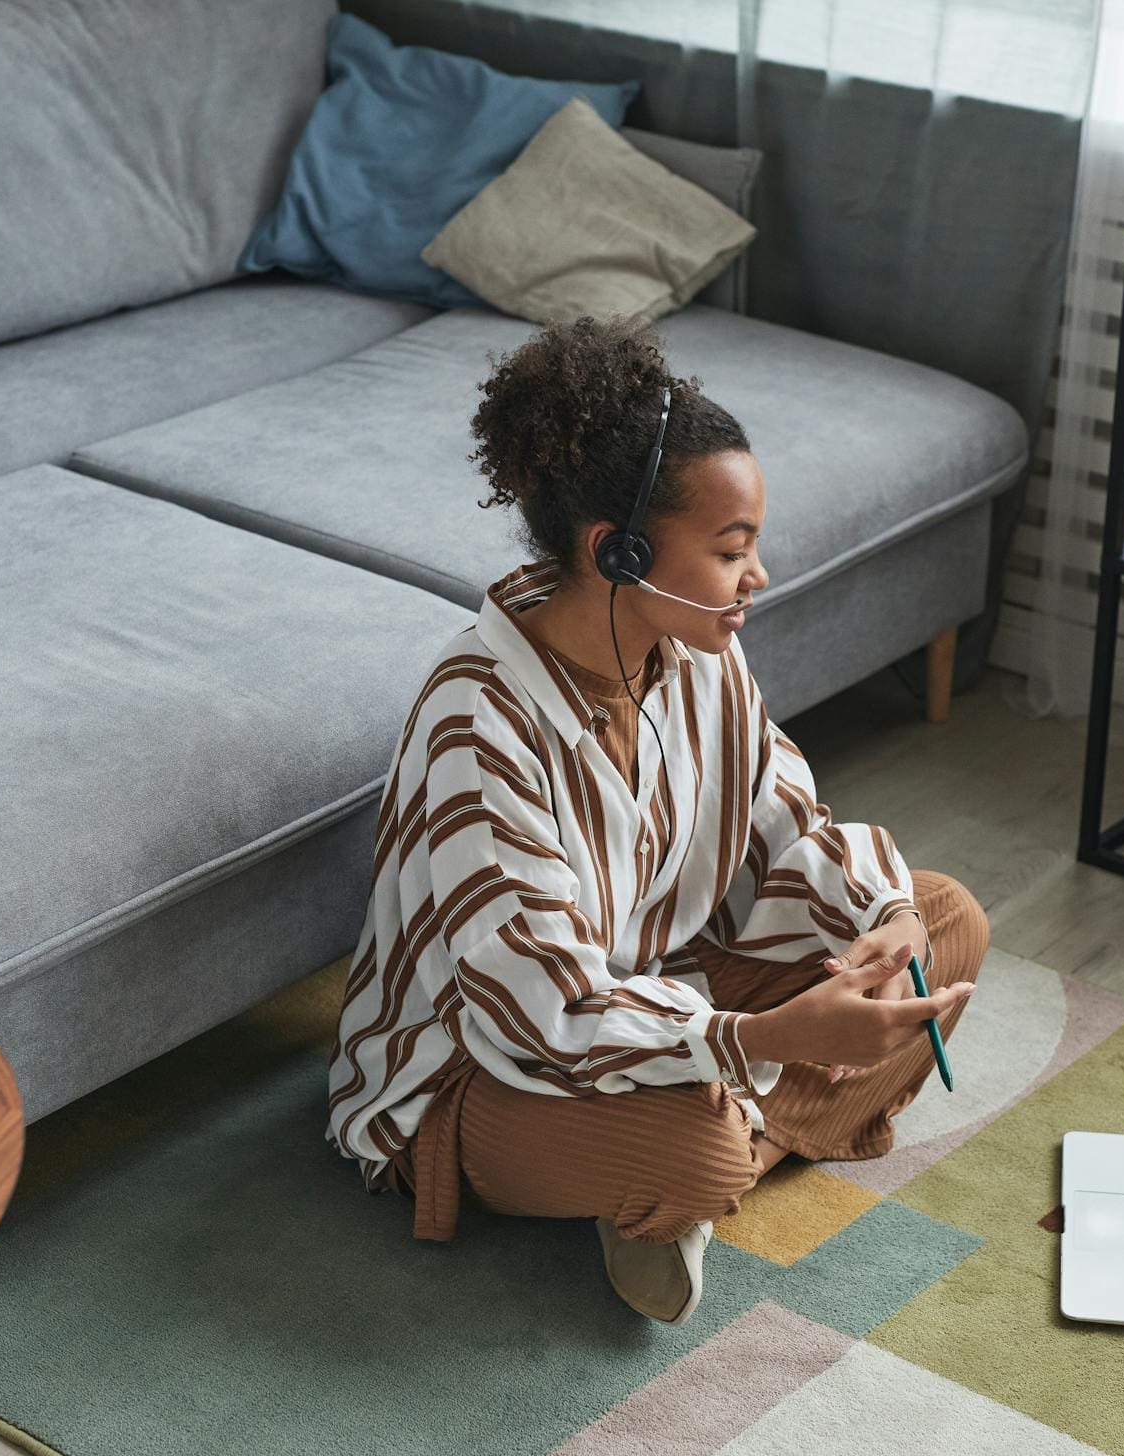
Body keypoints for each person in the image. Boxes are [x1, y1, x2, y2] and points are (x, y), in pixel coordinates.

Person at [326, 312, 988, 1324]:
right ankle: (708, 1156)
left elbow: (786, 830)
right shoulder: (480, 718)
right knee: (703, 1143)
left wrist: (883, 925)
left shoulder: (699, 656)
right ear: (621, 551)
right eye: (732, 551)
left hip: (647, 992)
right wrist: (763, 1031)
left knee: (946, 927)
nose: (756, 576)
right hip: (481, 1069)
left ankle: (680, 1193)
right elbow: (537, 1012)